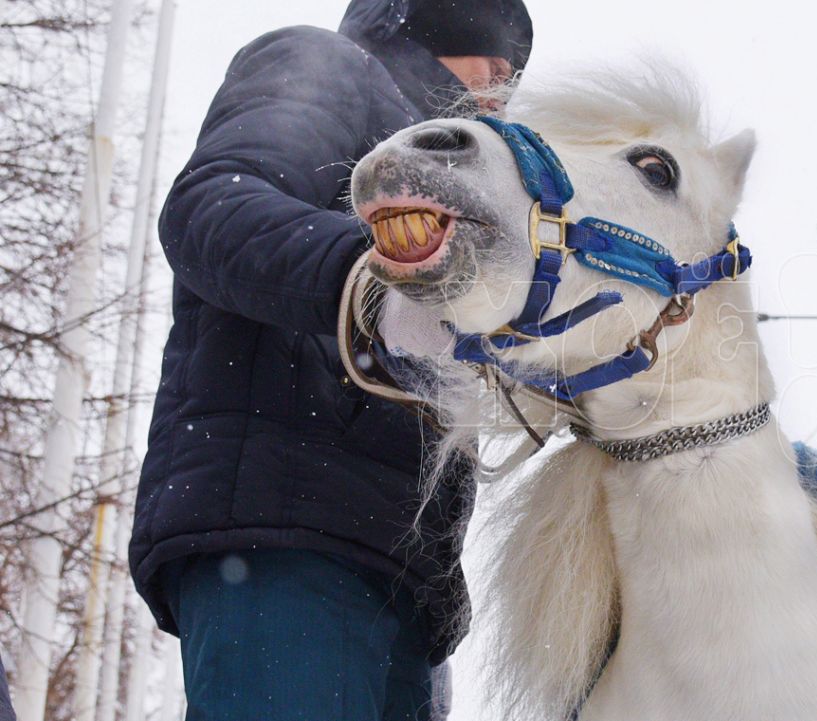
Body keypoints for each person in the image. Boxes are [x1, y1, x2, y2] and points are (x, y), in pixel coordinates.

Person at [128, 2, 532, 719]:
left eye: (513, 78)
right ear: (429, 28)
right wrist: (374, 287)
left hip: (405, 575)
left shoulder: (468, 179)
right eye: (493, 65)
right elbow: (212, 208)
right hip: (289, 534)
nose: (501, 92)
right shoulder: (327, 66)